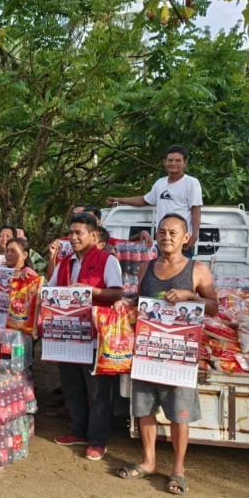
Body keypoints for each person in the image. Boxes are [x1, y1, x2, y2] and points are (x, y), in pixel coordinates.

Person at [116, 213, 217, 494]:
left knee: (178, 414)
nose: (166, 237)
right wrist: (126, 303)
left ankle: (178, 470)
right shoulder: (147, 266)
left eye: (173, 233)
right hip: (147, 350)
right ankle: (148, 461)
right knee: (144, 409)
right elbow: (139, 300)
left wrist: (191, 297)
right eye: (162, 232)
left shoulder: (197, 269)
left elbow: (214, 307)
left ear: (186, 238)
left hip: (179, 354)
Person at [48, 212, 123, 461]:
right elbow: (49, 289)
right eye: (70, 232)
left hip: (95, 336)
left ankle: (98, 440)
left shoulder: (107, 260)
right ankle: (78, 431)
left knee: (99, 392)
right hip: (67, 335)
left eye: (78, 232)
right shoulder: (66, 261)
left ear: (93, 235)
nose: (73, 237)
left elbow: (116, 294)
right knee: (72, 387)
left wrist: (90, 291)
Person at [108, 145, 202, 258]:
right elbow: (144, 200)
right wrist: (119, 200)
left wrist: (194, 236)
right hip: (162, 241)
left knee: (180, 274)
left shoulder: (191, 182)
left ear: (185, 163)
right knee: (160, 273)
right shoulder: (160, 183)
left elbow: (195, 209)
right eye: (170, 160)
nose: (173, 163)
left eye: (178, 160)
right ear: (164, 162)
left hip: (181, 241)